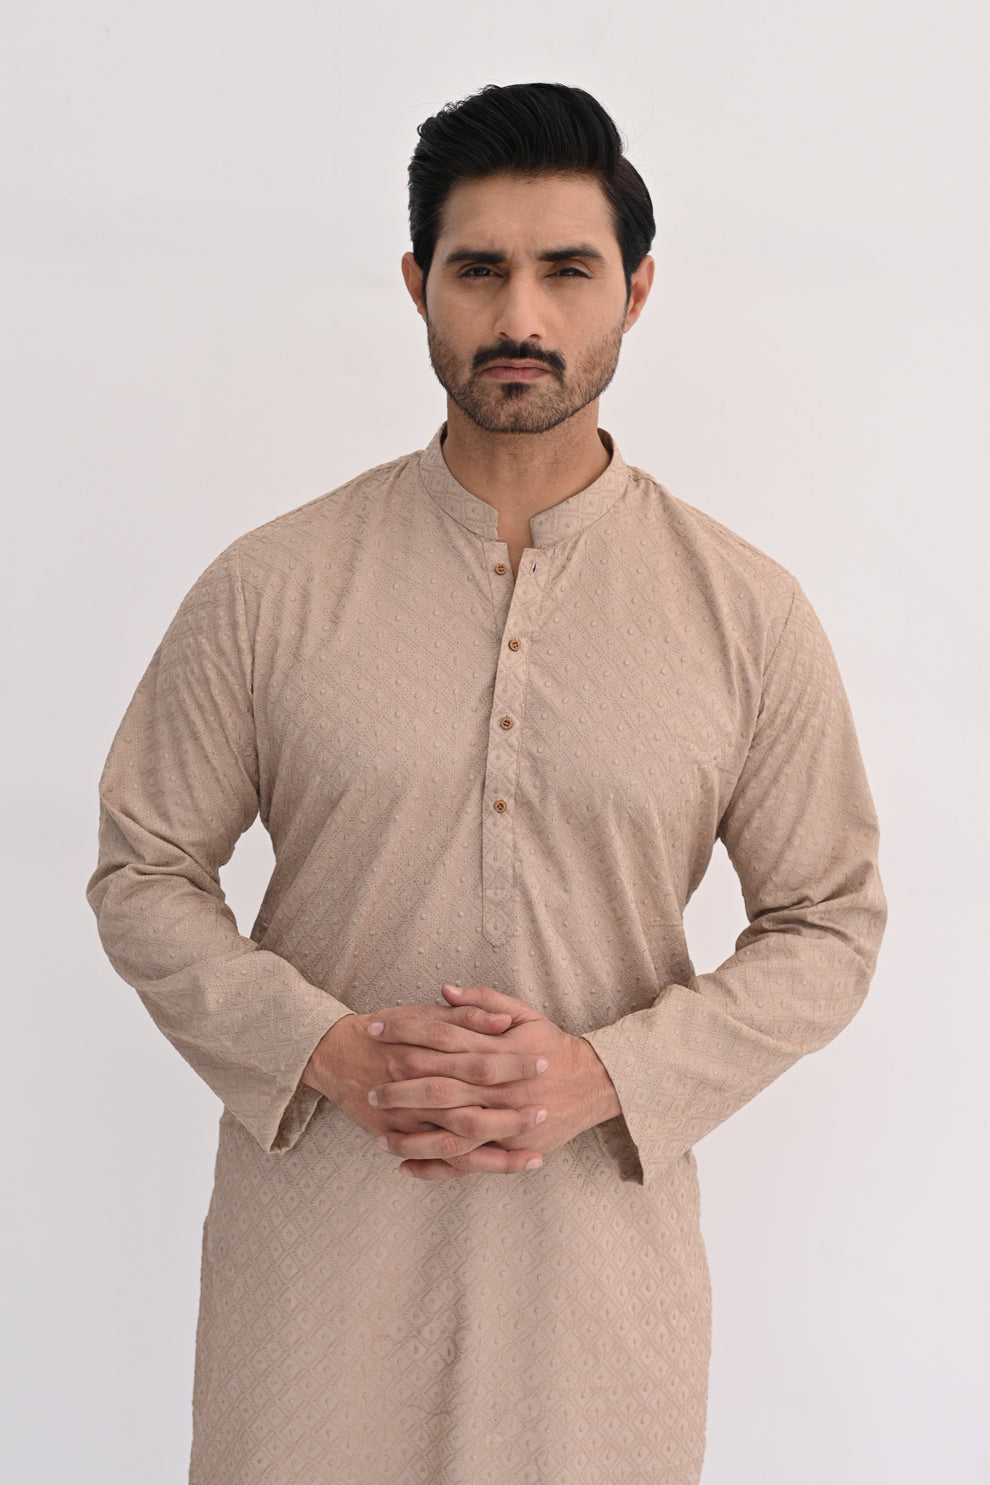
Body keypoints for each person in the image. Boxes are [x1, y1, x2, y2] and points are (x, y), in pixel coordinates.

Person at [87, 81, 886, 1485]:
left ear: (636, 290)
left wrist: (608, 1074)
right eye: (479, 271)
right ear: (418, 285)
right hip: (314, 1275)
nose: (521, 315)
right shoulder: (273, 587)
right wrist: (327, 1050)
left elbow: (828, 919)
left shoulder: (744, 614)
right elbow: (144, 870)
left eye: (566, 270)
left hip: (599, 1285)